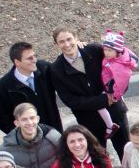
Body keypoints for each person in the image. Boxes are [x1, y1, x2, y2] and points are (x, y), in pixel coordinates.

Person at [47, 27, 127, 155]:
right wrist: (103, 100)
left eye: (69, 39)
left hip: (115, 112)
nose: (67, 44)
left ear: (76, 38)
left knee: (126, 151)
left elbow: (120, 65)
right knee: (98, 158)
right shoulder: (56, 70)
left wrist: (118, 92)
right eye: (61, 41)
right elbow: (70, 100)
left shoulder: (95, 50)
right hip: (90, 122)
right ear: (56, 44)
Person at [0, 42, 62, 134]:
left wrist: (78, 50)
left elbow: (64, 74)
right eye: (29, 58)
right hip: (28, 138)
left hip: (54, 133)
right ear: (17, 62)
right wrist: (20, 136)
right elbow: (1, 118)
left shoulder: (44, 69)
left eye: (34, 56)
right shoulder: (4, 86)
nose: (34, 60)